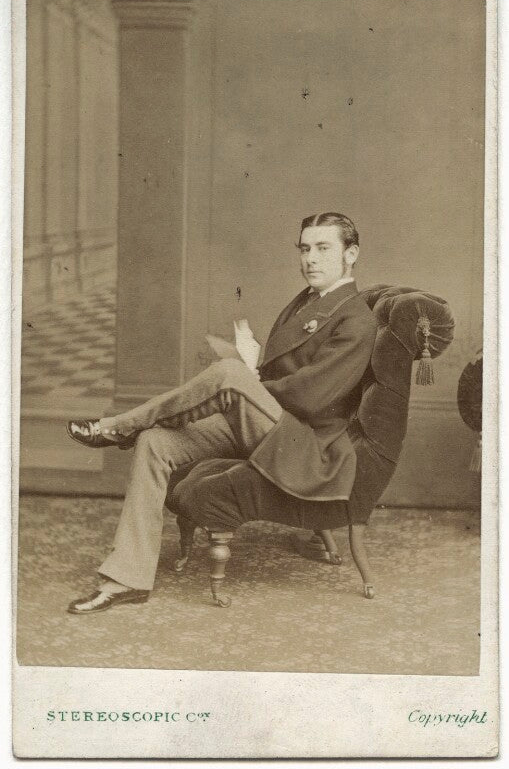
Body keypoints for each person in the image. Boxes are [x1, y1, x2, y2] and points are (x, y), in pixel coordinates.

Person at [66, 211, 377, 614]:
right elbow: (283, 376)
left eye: (323, 248)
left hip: (309, 447)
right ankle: (126, 578)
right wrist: (254, 372)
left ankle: (119, 426)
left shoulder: (356, 318)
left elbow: (312, 397)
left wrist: (250, 381)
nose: (310, 259)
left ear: (351, 254)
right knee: (155, 442)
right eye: (304, 249)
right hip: (277, 425)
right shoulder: (308, 300)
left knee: (229, 373)